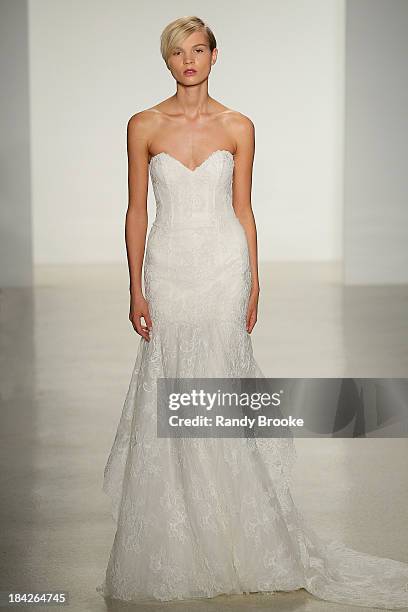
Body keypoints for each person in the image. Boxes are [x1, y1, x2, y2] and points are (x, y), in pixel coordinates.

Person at [96, 16, 408, 608]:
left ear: (214, 56)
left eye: (197, 50)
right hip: (168, 265)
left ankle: (242, 535)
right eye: (177, 53)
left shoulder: (238, 126)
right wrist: (134, 286)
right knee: (168, 382)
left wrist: (254, 280)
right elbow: (136, 210)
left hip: (221, 266)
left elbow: (244, 208)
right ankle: (180, 536)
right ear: (167, 61)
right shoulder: (143, 125)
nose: (188, 61)